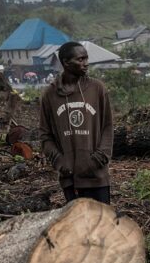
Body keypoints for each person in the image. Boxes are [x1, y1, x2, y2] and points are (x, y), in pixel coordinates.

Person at [39, 41, 114, 204]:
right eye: (80, 59)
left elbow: (107, 126)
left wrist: (99, 158)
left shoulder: (97, 89)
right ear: (66, 62)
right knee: (78, 226)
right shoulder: (50, 95)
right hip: (69, 178)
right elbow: (45, 135)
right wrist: (60, 161)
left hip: (97, 176)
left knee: (102, 225)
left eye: (86, 58)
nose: (86, 63)